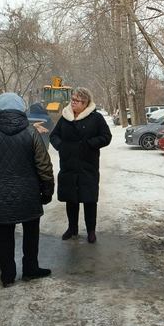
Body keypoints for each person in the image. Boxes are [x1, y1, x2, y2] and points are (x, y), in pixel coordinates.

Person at [0, 93, 55, 288]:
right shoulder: (31, 132)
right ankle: (30, 269)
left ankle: (7, 275)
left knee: (3, 235)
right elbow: (44, 164)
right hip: (28, 191)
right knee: (31, 232)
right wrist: (47, 190)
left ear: (0, 108)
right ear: (21, 108)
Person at [49, 87, 112, 244]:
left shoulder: (96, 118)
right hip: (69, 164)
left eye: (76, 101)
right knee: (71, 199)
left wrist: (91, 144)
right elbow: (54, 135)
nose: (73, 103)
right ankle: (72, 228)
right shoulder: (66, 117)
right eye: (72, 100)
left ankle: (91, 230)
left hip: (87, 164)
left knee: (89, 199)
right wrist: (61, 147)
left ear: (86, 103)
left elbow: (106, 136)